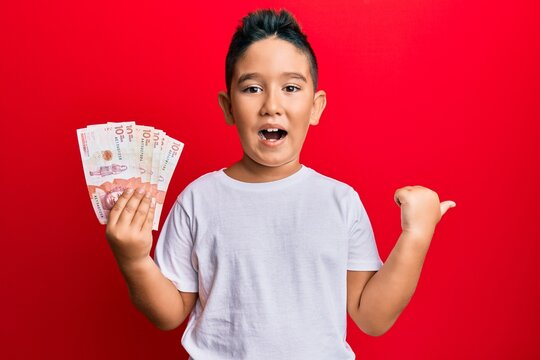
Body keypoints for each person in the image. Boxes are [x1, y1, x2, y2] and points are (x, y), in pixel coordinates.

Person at [105, 8, 456, 359]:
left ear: (316, 107)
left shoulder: (339, 200)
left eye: (290, 87)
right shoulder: (198, 200)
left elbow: (372, 317)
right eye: (253, 88)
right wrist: (134, 260)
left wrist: (416, 235)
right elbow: (169, 314)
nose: (271, 105)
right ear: (228, 107)